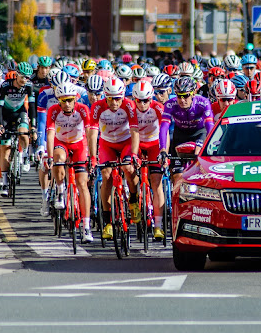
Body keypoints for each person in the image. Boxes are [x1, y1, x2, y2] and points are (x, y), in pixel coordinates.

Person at [88, 78, 140, 240]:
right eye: (110, 98)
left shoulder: (129, 105)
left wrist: (134, 154)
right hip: (107, 144)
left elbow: (135, 131)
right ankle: (108, 222)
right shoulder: (98, 107)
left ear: (123, 96)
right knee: (106, 175)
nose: (114, 102)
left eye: (118, 98)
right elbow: (92, 133)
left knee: (128, 169)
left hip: (125, 142)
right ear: (105, 96)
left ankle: (133, 200)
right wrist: (92, 156)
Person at [44, 82, 93, 243]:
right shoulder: (53, 111)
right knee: (58, 159)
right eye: (63, 100)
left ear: (75, 99)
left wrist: (92, 156)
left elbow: (89, 132)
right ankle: (60, 190)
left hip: (79, 144)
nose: (67, 104)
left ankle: (86, 226)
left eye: (70, 100)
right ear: (58, 100)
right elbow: (50, 135)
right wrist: (50, 156)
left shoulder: (83, 109)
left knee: (82, 183)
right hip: (61, 142)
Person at [0, 62, 37, 196]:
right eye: (23, 77)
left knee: (24, 134)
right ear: (17, 75)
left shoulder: (29, 86)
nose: (25, 80)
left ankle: (24, 156)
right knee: (5, 149)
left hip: (20, 113)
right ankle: (5, 182)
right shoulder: (6, 86)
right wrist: (0, 125)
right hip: (5, 115)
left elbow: (32, 107)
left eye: (28, 77)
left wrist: (33, 126)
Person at [159, 77, 214, 184]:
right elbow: (164, 128)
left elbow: (209, 126)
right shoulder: (170, 104)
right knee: (177, 176)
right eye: (179, 96)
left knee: (198, 156)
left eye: (186, 96)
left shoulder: (203, 102)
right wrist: (163, 150)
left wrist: (209, 145)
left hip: (199, 134)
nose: (182, 100)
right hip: (180, 135)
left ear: (193, 94)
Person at [132, 80, 168, 240]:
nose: (142, 104)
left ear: (151, 98)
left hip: (154, 144)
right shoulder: (130, 109)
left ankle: (158, 226)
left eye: (146, 100)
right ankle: (133, 203)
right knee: (131, 174)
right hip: (137, 144)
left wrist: (164, 152)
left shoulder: (158, 108)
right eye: (139, 101)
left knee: (156, 182)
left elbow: (165, 132)